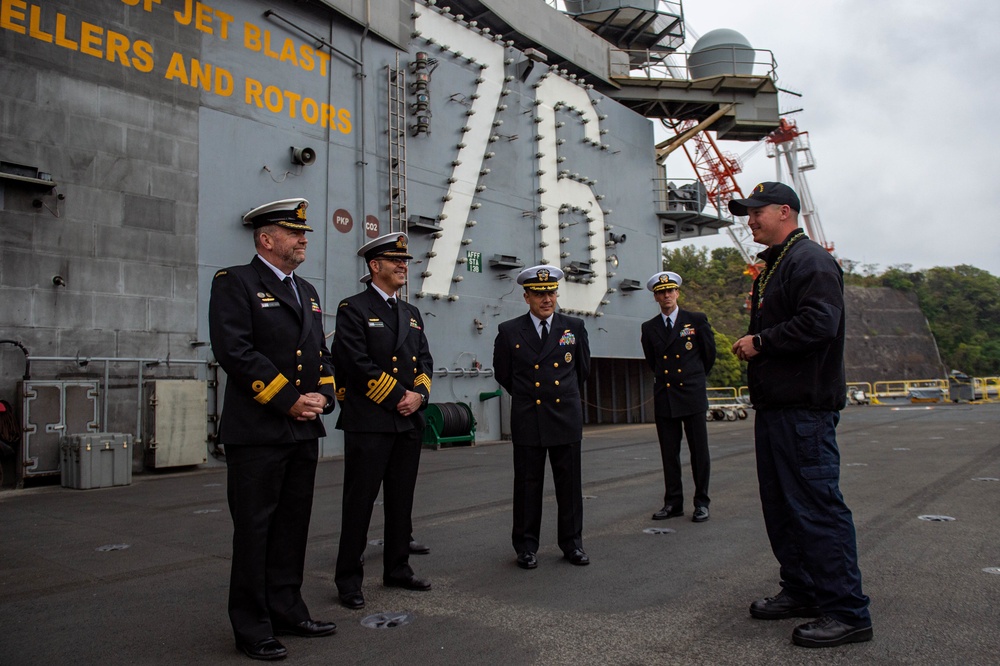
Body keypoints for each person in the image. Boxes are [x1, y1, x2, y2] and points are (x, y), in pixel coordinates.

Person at [729, 182, 872, 648]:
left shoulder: (810, 260)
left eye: (756, 212)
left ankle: (848, 613)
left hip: (804, 411)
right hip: (778, 407)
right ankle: (803, 589)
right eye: (747, 213)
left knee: (816, 509)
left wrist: (762, 343)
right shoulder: (776, 265)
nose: (750, 219)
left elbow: (820, 323)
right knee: (784, 508)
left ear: (785, 211)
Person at [209, 198, 337, 661]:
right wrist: (289, 401)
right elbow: (235, 351)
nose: (304, 239)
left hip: (303, 430)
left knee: (292, 527)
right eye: (294, 232)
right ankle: (251, 626)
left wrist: (324, 396)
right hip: (259, 430)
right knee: (255, 530)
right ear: (266, 239)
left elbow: (320, 354)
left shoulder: (309, 291)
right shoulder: (235, 283)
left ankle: (288, 608)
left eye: (303, 233)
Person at [332, 232, 433, 610]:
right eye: (396, 261)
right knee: (359, 502)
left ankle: (397, 569)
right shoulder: (353, 308)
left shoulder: (411, 313)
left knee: (400, 501)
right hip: (371, 422)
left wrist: (419, 396)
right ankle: (348, 580)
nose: (403, 266)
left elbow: (425, 361)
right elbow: (354, 363)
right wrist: (398, 397)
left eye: (405, 261)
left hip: (407, 423)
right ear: (375, 266)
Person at [493, 265, 592, 570]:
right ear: (526, 297)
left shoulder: (573, 327)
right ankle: (525, 546)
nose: (546, 299)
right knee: (527, 485)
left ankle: (572, 544)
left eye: (550, 292)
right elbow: (504, 374)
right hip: (528, 418)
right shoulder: (509, 331)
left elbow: (582, 370)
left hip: (565, 415)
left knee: (570, 487)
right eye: (539, 294)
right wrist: (529, 397)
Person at [640, 271, 716, 523]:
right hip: (666, 395)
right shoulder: (649, 328)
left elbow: (708, 356)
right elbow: (653, 361)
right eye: (661, 292)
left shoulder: (695, 320)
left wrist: (694, 378)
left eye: (670, 291)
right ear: (656, 297)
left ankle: (702, 502)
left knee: (699, 452)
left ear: (677, 293)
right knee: (669, 453)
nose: (667, 295)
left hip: (691, 394)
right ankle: (673, 502)